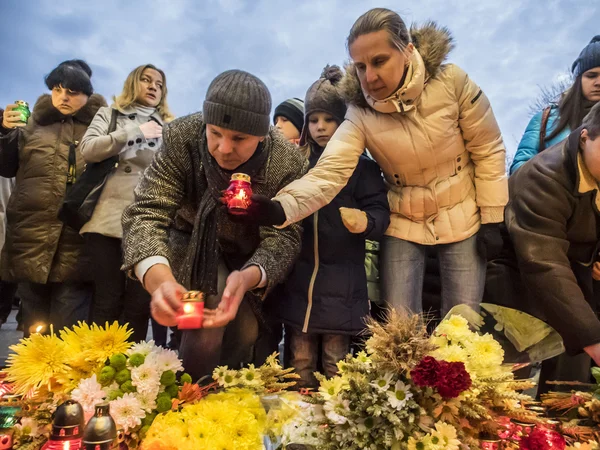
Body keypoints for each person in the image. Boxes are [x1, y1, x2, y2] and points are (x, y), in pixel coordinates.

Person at [247, 8, 508, 316]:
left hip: (463, 211)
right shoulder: (359, 113)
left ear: (407, 51)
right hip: (404, 217)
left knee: (463, 322)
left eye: (379, 61)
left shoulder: (452, 82)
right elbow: (328, 174)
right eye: (360, 66)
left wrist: (493, 217)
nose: (369, 76)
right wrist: (279, 208)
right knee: (398, 327)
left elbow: (487, 147)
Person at [121, 69, 308, 380]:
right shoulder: (182, 135)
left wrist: (250, 276)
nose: (223, 148)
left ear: (262, 134)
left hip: (251, 257)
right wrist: (160, 279)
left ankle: (232, 409)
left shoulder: (287, 161)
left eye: (239, 138)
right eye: (215, 133)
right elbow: (147, 210)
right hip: (189, 247)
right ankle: (188, 397)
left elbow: (284, 236)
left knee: (247, 337)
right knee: (201, 327)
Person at [276, 65, 389, 387]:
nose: (321, 128)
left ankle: (333, 426)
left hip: (343, 284)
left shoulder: (362, 168)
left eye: (330, 120)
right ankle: (297, 424)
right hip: (300, 282)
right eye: (314, 120)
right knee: (298, 361)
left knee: (335, 363)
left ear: (345, 123)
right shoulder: (296, 164)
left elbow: (380, 211)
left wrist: (366, 221)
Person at [487, 102, 600, 389]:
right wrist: (592, 338)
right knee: (511, 371)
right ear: (585, 138)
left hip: (574, 272)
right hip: (517, 272)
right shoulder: (543, 177)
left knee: (572, 377)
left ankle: (566, 423)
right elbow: (544, 262)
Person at [0, 60, 106, 336]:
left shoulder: (101, 127)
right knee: (33, 333)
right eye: (57, 89)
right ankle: (32, 381)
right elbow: (5, 166)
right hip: (29, 240)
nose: (63, 97)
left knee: (67, 334)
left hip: (77, 246)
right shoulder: (31, 124)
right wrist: (3, 132)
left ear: (87, 93)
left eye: (72, 90)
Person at [80, 64, 174, 343]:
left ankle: (132, 371)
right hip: (106, 218)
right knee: (107, 298)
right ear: (133, 83)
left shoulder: (170, 126)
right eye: (146, 80)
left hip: (150, 222)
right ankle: (98, 367)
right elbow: (88, 150)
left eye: (159, 83)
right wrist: (134, 131)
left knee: (138, 303)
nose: (153, 86)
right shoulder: (110, 113)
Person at [511, 36, 600, 174]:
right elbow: (520, 168)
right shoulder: (546, 119)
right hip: (551, 194)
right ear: (578, 80)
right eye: (591, 75)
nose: (598, 82)